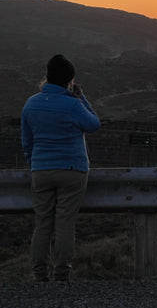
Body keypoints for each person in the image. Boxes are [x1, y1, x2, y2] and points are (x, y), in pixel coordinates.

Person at [21, 54, 101, 282]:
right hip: (72, 169)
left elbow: (27, 142)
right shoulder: (73, 104)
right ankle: (61, 273)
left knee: (43, 223)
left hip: (41, 170)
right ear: (70, 80)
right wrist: (81, 96)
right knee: (65, 223)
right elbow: (94, 124)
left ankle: (39, 274)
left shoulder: (31, 103)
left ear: (47, 77)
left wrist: (34, 163)